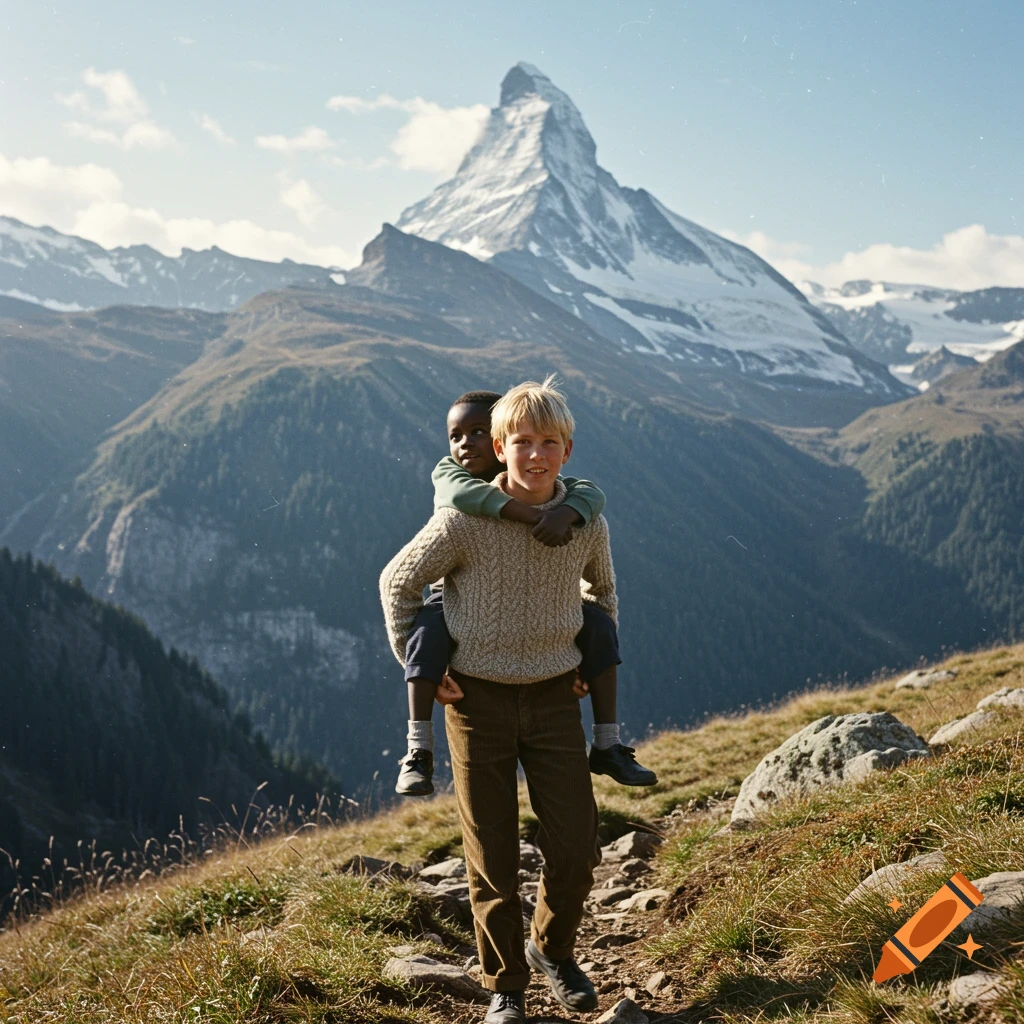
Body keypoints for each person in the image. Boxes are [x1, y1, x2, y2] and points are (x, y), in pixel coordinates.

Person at [380, 376, 618, 1022]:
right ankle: (504, 988)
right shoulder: (462, 521)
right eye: (521, 442)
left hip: (551, 700)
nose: (535, 455)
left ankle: (552, 950)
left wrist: (587, 670)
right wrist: (422, 664)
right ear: (500, 446)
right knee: (493, 857)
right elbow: (398, 580)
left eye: (548, 443)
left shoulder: (585, 521)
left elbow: (603, 596)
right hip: (475, 705)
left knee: (576, 847)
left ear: (567, 451)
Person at [395, 388, 656, 797]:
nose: (467, 444)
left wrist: (569, 512)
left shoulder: (559, 488)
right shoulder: (453, 481)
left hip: (546, 659)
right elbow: (404, 575)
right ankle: (417, 750)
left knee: (600, 622)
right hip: (459, 606)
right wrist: (536, 516)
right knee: (427, 631)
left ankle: (608, 742)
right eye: (457, 435)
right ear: (505, 447)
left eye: (479, 431)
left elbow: (589, 494)